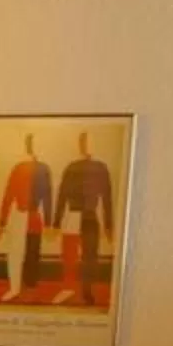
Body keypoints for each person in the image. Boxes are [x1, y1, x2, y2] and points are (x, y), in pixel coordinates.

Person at [55, 131, 118, 307]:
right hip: (73, 215)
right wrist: (56, 221)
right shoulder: (72, 167)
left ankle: (87, 290)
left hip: (89, 216)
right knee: (70, 255)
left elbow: (107, 198)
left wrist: (109, 224)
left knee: (90, 256)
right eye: (85, 142)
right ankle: (69, 287)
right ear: (80, 145)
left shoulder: (101, 168)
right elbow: (62, 195)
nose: (88, 145)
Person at [0, 133, 53, 301]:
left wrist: (48, 222)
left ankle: (29, 289)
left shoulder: (43, 169)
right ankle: (16, 288)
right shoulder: (20, 168)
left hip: (33, 217)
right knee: (16, 253)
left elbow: (48, 197)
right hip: (20, 215)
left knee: (32, 253)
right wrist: (2, 221)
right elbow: (9, 195)